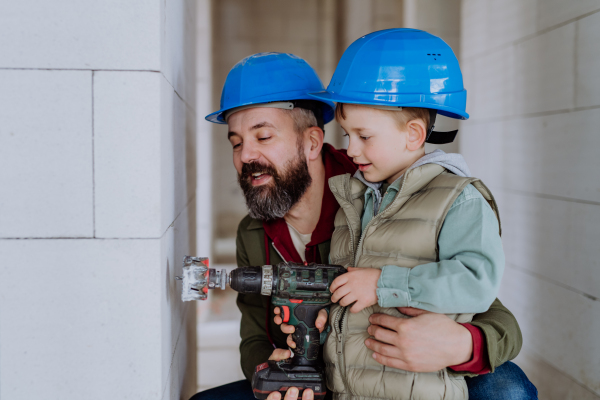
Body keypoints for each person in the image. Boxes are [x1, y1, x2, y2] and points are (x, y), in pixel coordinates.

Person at [190, 52, 536, 400]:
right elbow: (253, 335)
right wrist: (270, 368)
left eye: (262, 137)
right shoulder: (252, 232)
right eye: (236, 143)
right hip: (330, 382)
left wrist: (462, 345)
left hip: (404, 374)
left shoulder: (369, 200)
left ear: (311, 142)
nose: (245, 156)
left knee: (507, 389)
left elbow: (493, 312)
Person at [302, 27, 502, 400]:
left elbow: (477, 282)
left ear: (412, 135)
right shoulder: (357, 197)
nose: (352, 150)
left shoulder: (458, 198)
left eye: (364, 136)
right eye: (346, 136)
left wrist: (381, 284)